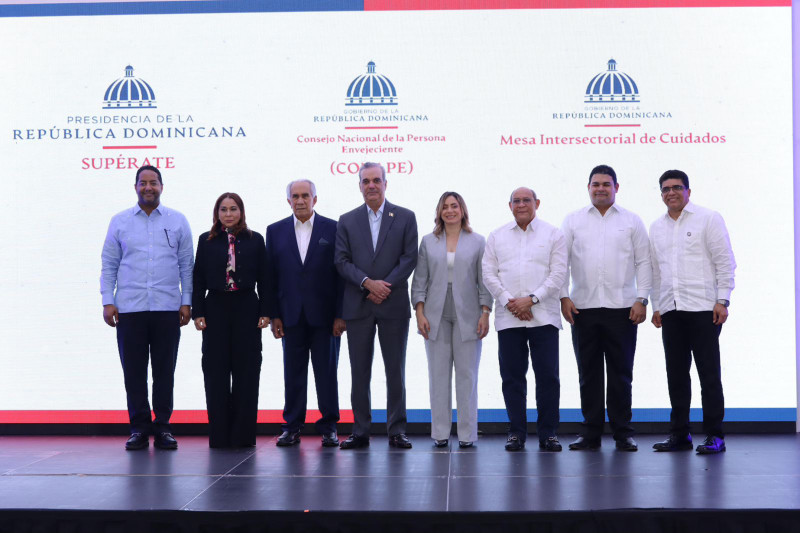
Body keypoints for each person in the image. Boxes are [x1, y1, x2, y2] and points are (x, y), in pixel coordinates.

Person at [100, 165, 193, 450]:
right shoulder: (120, 221)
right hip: (130, 308)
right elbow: (109, 264)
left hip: (167, 307)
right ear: (136, 186)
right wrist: (107, 300)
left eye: (153, 182)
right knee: (134, 372)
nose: (148, 187)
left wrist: (186, 300)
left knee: (165, 371)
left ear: (161, 186)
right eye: (143, 183)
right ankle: (139, 428)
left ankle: (163, 427)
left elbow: (186, 264)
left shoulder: (178, 221)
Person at [560, 165, 651, 452]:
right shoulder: (573, 221)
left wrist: (642, 299)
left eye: (606, 184)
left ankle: (623, 432)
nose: (600, 188)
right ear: (588, 187)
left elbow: (644, 262)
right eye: (595, 184)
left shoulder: (632, 221)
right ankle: (590, 433)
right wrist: (563, 296)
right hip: (583, 308)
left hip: (623, 308)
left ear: (616, 187)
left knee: (621, 374)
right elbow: (560, 262)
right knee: (588, 374)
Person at [649, 170, 735, 454]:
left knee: (708, 374)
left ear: (688, 190)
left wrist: (723, 300)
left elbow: (725, 262)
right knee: (676, 374)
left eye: (676, 187)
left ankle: (715, 435)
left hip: (703, 309)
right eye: (665, 189)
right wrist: (657, 306)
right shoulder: (657, 227)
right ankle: (680, 434)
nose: (670, 193)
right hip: (672, 310)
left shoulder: (708, 218)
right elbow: (656, 271)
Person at [334, 162, 418, 449]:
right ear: (359, 186)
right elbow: (341, 261)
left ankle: (396, 430)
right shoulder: (346, 220)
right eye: (365, 181)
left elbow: (409, 258)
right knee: (359, 372)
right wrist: (368, 283)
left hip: (393, 305)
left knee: (395, 370)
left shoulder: (405, 217)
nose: (371, 185)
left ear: (385, 183)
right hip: (358, 305)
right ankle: (360, 431)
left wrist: (385, 286)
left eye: (376, 180)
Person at [482, 187, 567, 452]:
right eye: (516, 201)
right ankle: (516, 432)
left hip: (544, 318)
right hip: (509, 319)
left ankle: (549, 433)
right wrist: (512, 301)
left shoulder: (554, 234)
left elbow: (558, 274)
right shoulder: (496, 236)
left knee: (548, 378)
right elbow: (489, 274)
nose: (521, 205)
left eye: (526, 200)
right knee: (512, 378)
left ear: (537, 203)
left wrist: (531, 299)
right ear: (510, 206)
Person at [266, 179, 345, 448]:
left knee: (327, 374)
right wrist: (274, 315)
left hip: (325, 318)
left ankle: (330, 426)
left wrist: (340, 315)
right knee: (293, 374)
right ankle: (292, 426)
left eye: (305, 196)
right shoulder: (274, 231)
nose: (300, 200)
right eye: (295, 196)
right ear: (288, 200)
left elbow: (341, 276)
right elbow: (271, 278)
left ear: (315, 199)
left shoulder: (333, 228)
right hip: (290, 317)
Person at [411, 192, 492, 448]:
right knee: (438, 376)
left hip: (469, 314)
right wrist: (419, 312)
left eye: (454, 206)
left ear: (462, 209)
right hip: (434, 315)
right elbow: (419, 281)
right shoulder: (428, 241)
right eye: (445, 207)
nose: (449, 211)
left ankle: (467, 435)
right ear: (439, 211)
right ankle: (440, 434)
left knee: (467, 376)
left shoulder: (478, 241)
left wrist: (485, 313)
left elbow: (484, 281)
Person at [192, 193, 269, 448]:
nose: (228, 214)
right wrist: (198, 311)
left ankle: (243, 436)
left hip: (247, 306)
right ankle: (220, 436)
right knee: (215, 372)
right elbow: (198, 278)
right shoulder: (206, 240)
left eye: (233, 209)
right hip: (215, 307)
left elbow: (266, 278)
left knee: (247, 372)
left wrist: (265, 311)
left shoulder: (255, 239)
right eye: (223, 209)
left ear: (241, 211)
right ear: (217, 213)